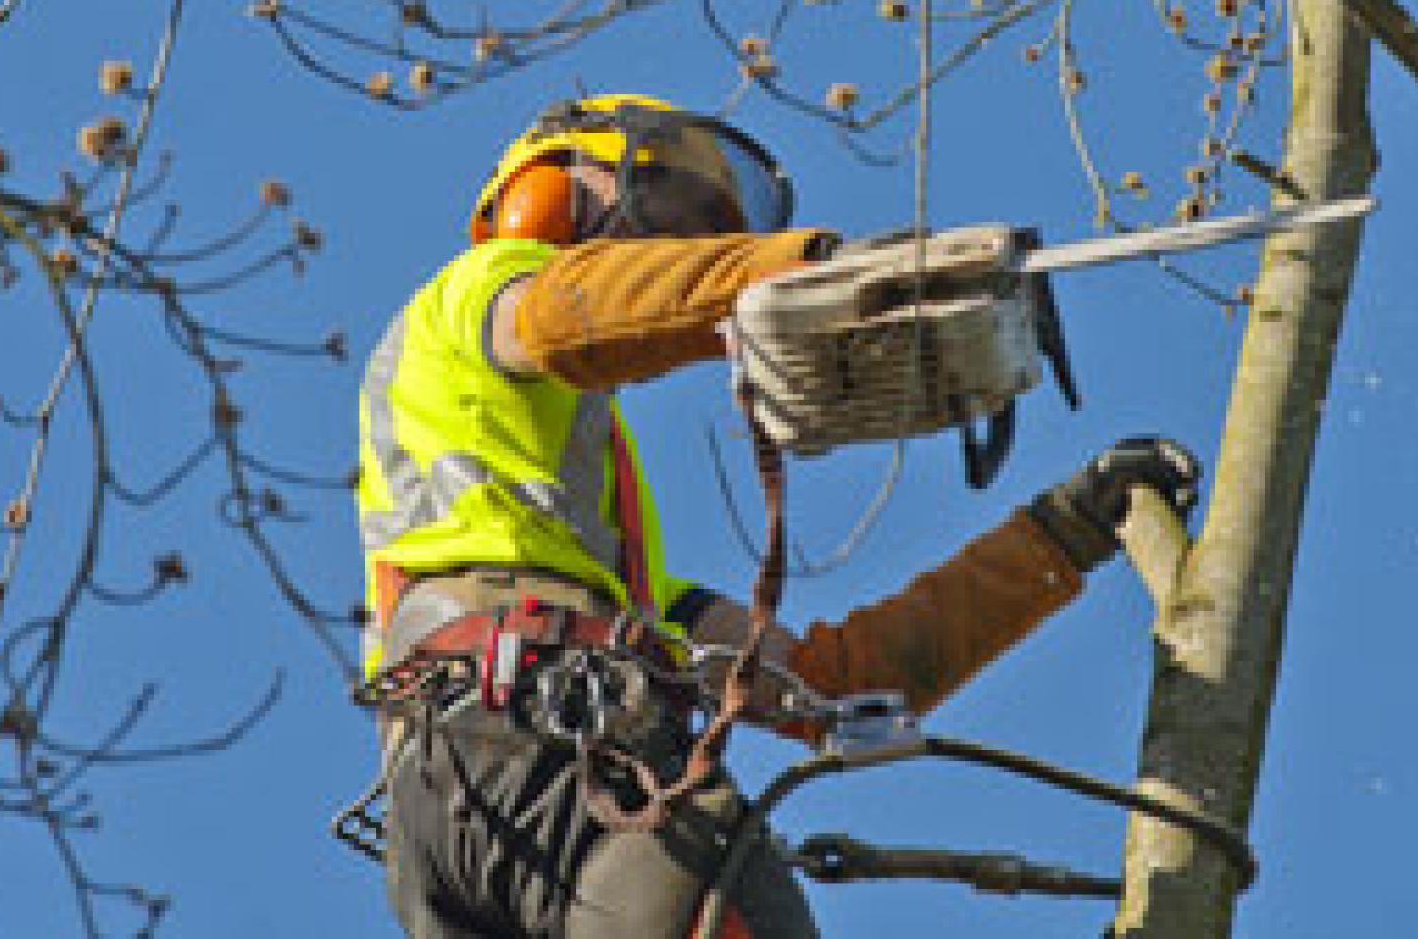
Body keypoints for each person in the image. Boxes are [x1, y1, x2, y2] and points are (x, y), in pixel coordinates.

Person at [354, 92, 1201, 938]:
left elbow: (833, 683)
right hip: (546, 741)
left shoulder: (604, 577)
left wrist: (1056, 538)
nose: (674, 252)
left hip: (455, 811)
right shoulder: (476, 297)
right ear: (547, 190)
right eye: (658, 215)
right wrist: (816, 272)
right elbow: (575, 309)